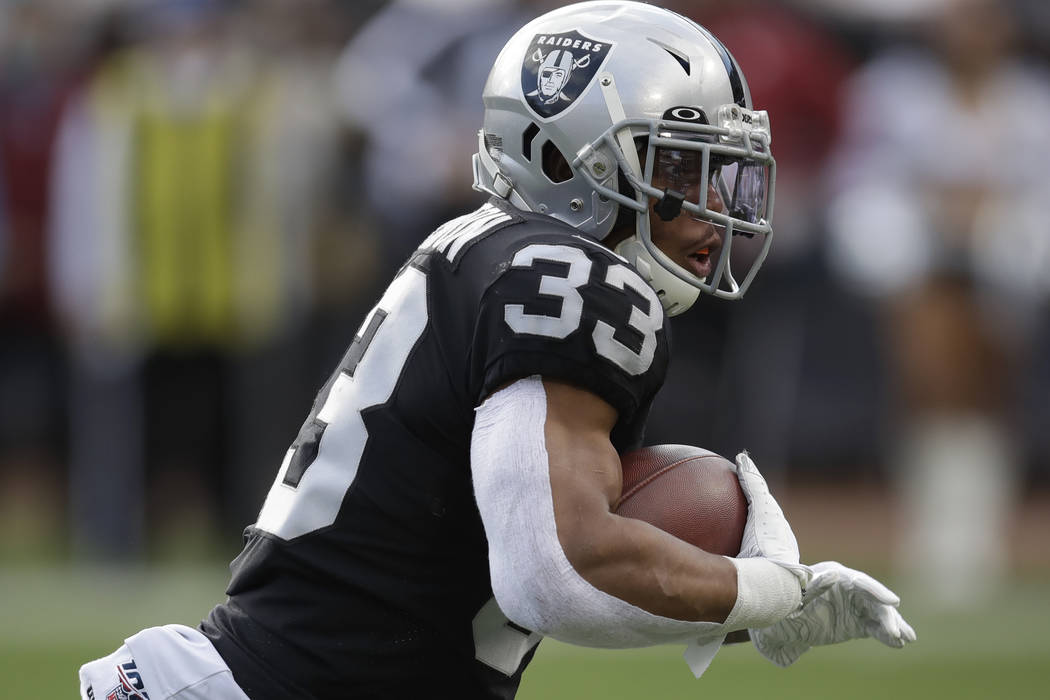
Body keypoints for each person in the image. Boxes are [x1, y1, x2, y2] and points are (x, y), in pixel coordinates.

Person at [78, 3, 914, 698]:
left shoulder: (490, 249)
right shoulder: (569, 278)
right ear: (572, 159)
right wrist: (771, 593)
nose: (711, 213)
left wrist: (723, 597)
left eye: (720, 175)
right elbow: (550, 573)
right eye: (683, 171)